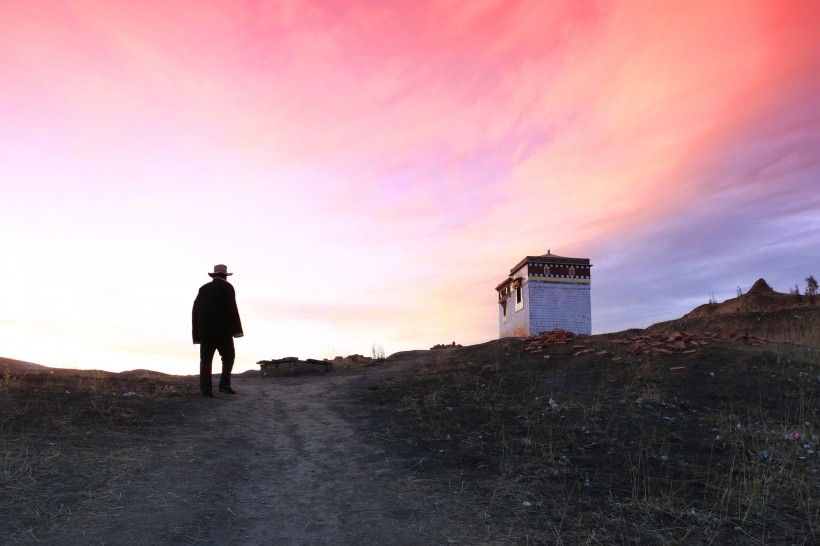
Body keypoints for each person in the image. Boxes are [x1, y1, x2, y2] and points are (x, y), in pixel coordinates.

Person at [192, 264, 244, 397]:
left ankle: (206, 390)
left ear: (214, 275)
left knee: (205, 361)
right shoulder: (227, 287)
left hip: (205, 332)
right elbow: (232, 308)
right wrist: (237, 330)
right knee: (228, 357)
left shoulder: (203, 288)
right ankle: (224, 385)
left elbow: (195, 310)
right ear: (225, 276)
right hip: (223, 331)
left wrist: (196, 334)